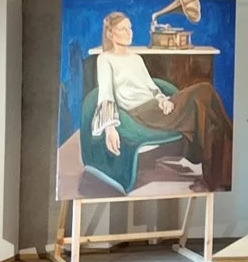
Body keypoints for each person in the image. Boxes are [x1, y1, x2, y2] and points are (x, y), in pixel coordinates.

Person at [79, 11, 230, 193]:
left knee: (208, 106)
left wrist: (162, 99)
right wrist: (110, 127)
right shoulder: (105, 59)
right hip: (140, 114)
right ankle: (215, 178)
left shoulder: (136, 58)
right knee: (205, 91)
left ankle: (218, 174)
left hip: (156, 108)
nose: (128, 32)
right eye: (122, 29)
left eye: (130, 28)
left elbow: (152, 87)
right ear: (110, 34)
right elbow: (106, 94)